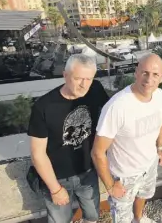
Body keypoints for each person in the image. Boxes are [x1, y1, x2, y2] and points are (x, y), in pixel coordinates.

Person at [28, 54, 110, 223]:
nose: (84, 84)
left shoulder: (95, 89)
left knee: (93, 215)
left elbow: (112, 116)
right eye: (78, 78)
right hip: (57, 177)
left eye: (88, 79)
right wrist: (55, 189)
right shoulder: (43, 107)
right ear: (65, 75)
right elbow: (38, 154)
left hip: (88, 171)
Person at [92, 54, 162, 223]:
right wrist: (111, 186)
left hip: (150, 165)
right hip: (125, 176)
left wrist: (159, 149)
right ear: (136, 73)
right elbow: (97, 152)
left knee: (143, 195)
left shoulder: (161, 96)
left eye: (155, 74)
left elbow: (161, 121)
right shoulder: (117, 106)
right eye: (145, 73)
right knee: (121, 217)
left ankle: (139, 218)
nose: (149, 79)